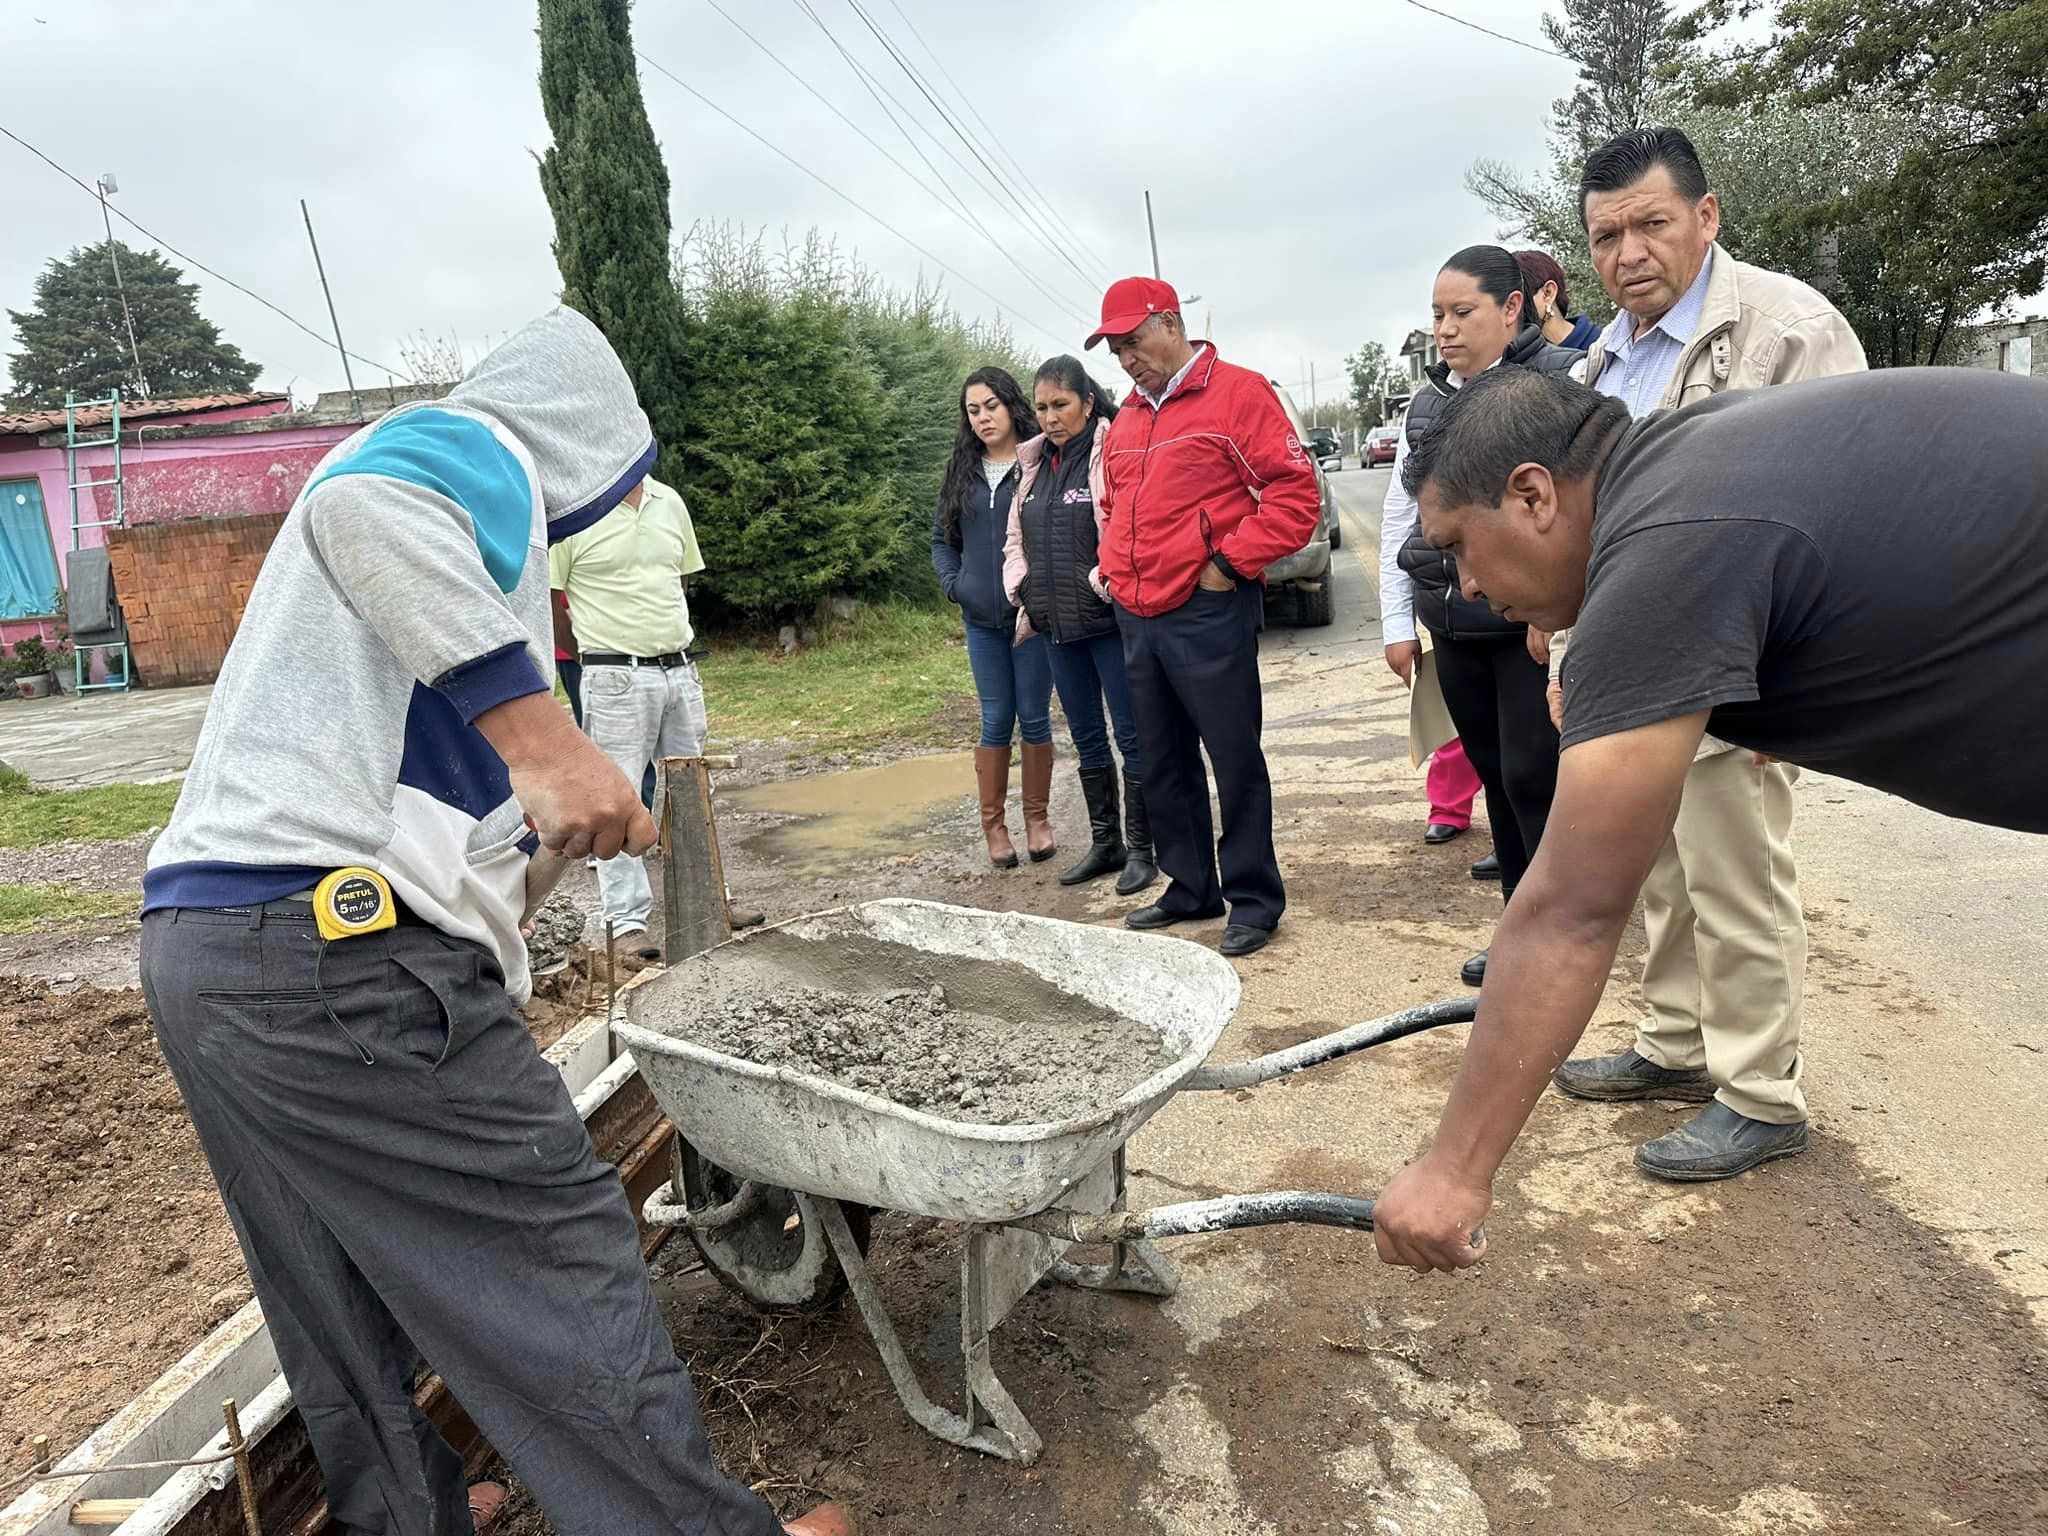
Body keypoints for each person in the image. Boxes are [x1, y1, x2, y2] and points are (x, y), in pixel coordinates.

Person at [139, 309, 851, 1536]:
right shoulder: (478, 451)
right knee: (556, 1252)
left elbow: (435, 803)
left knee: (327, 1284)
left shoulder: (462, 570)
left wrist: (525, 854)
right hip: (334, 955)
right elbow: (360, 514)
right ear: (590, 449)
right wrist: (550, 742)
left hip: (208, 947)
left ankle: (406, 1519)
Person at [1371, 362, 2048, 1275]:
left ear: (1532, 494)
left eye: (1458, 547)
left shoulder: (1667, 543)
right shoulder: (1679, 464)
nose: (1467, 587)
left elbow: (1572, 909)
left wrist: (1453, 1170)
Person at [1544, 125, 1869, 1181]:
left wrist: (1802, 690)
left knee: (1737, 878)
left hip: (1738, 665)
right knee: (1663, 872)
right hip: (1635, 667)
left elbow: (1844, 517)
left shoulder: (1785, 330)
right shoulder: (1603, 360)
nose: (1627, 251)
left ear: (1705, 216)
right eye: (1604, 235)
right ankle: (1674, 1043)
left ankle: (1760, 1093)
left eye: (1649, 222)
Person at [1088, 276, 1320, 959]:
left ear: (1169, 323)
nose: (1127, 358)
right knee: (1161, 759)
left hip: (1204, 607)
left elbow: (1294, 495)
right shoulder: (1129, 417)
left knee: (1232, 755)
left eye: (1133, 340)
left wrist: (1227, 565)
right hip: (1138, 612)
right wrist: (1114, 572)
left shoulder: (1238, 394)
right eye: (1115, 349)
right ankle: (1191, 886)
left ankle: (1253, 899)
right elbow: (1114, 506)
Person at [1378, 245, 1584, 986]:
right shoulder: (1428, 404)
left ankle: (1557, 935)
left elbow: (1570, 513)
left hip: (1524, 627)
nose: (1446, 329)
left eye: (1462, 312)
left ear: (1511, 309)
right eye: (1437, 315)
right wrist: (1397, 621)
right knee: (1497, 778)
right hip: (1452, 625)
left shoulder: (1554, 389)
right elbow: (1406, 512)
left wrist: (1556, 613)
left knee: (1536, 776)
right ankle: (1516, 931)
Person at [552, 472, 762, 959]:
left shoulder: (670, 499)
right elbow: (551, 602)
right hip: (614, 674)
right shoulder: (574, 509)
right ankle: (626, 923)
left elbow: (678, 580)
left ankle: (712, 901)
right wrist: (592, 657)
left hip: (679, 669)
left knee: (693, 788)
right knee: (615, 796)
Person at [1002, 354, 1158, 895]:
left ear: (1088, 403)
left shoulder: (1109, 451)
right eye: (1041, 406)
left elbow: (1125, 527)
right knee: (1089, 739)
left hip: (1109, 623)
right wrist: (1019, 586)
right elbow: (1014, 539)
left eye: (1061, 404)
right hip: (1055, 629)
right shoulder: (1033, 465)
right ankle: (1106, 843)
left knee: (1132, 736)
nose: (1049, 417)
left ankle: (1144, 849)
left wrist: (1102, 581)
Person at [932, 366, 1056, 868]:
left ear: (1010, 406)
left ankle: (1037, 821)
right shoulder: (960, 471)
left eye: (991, 406)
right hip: (981, 619)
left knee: (1034, 715)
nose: (983, 418)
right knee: (996, 718)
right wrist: (955, 587)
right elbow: (942, 540)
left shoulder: (1039, 462)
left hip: (1032, 618)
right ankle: (994, 828)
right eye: (973, 411)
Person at [1513, 249, 1602, 351]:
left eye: (1516, 301)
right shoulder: (1517, 355)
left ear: (1548, 293)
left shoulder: (1603, 349)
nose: (1510, 311)